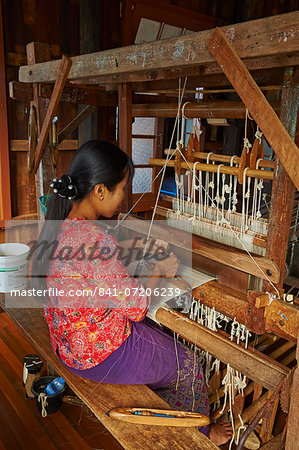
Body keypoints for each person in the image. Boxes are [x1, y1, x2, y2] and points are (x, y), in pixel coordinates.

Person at [31, 140, 232, 445]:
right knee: (187, 365)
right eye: (122, 189)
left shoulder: (59, 222)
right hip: (96, 355)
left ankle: (165, 408)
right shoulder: (92, 240)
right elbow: (137, 308)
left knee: (159, 335)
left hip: (67, 344)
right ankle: (198, 437)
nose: (124, 198)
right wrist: (159, 270)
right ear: (100, 191)